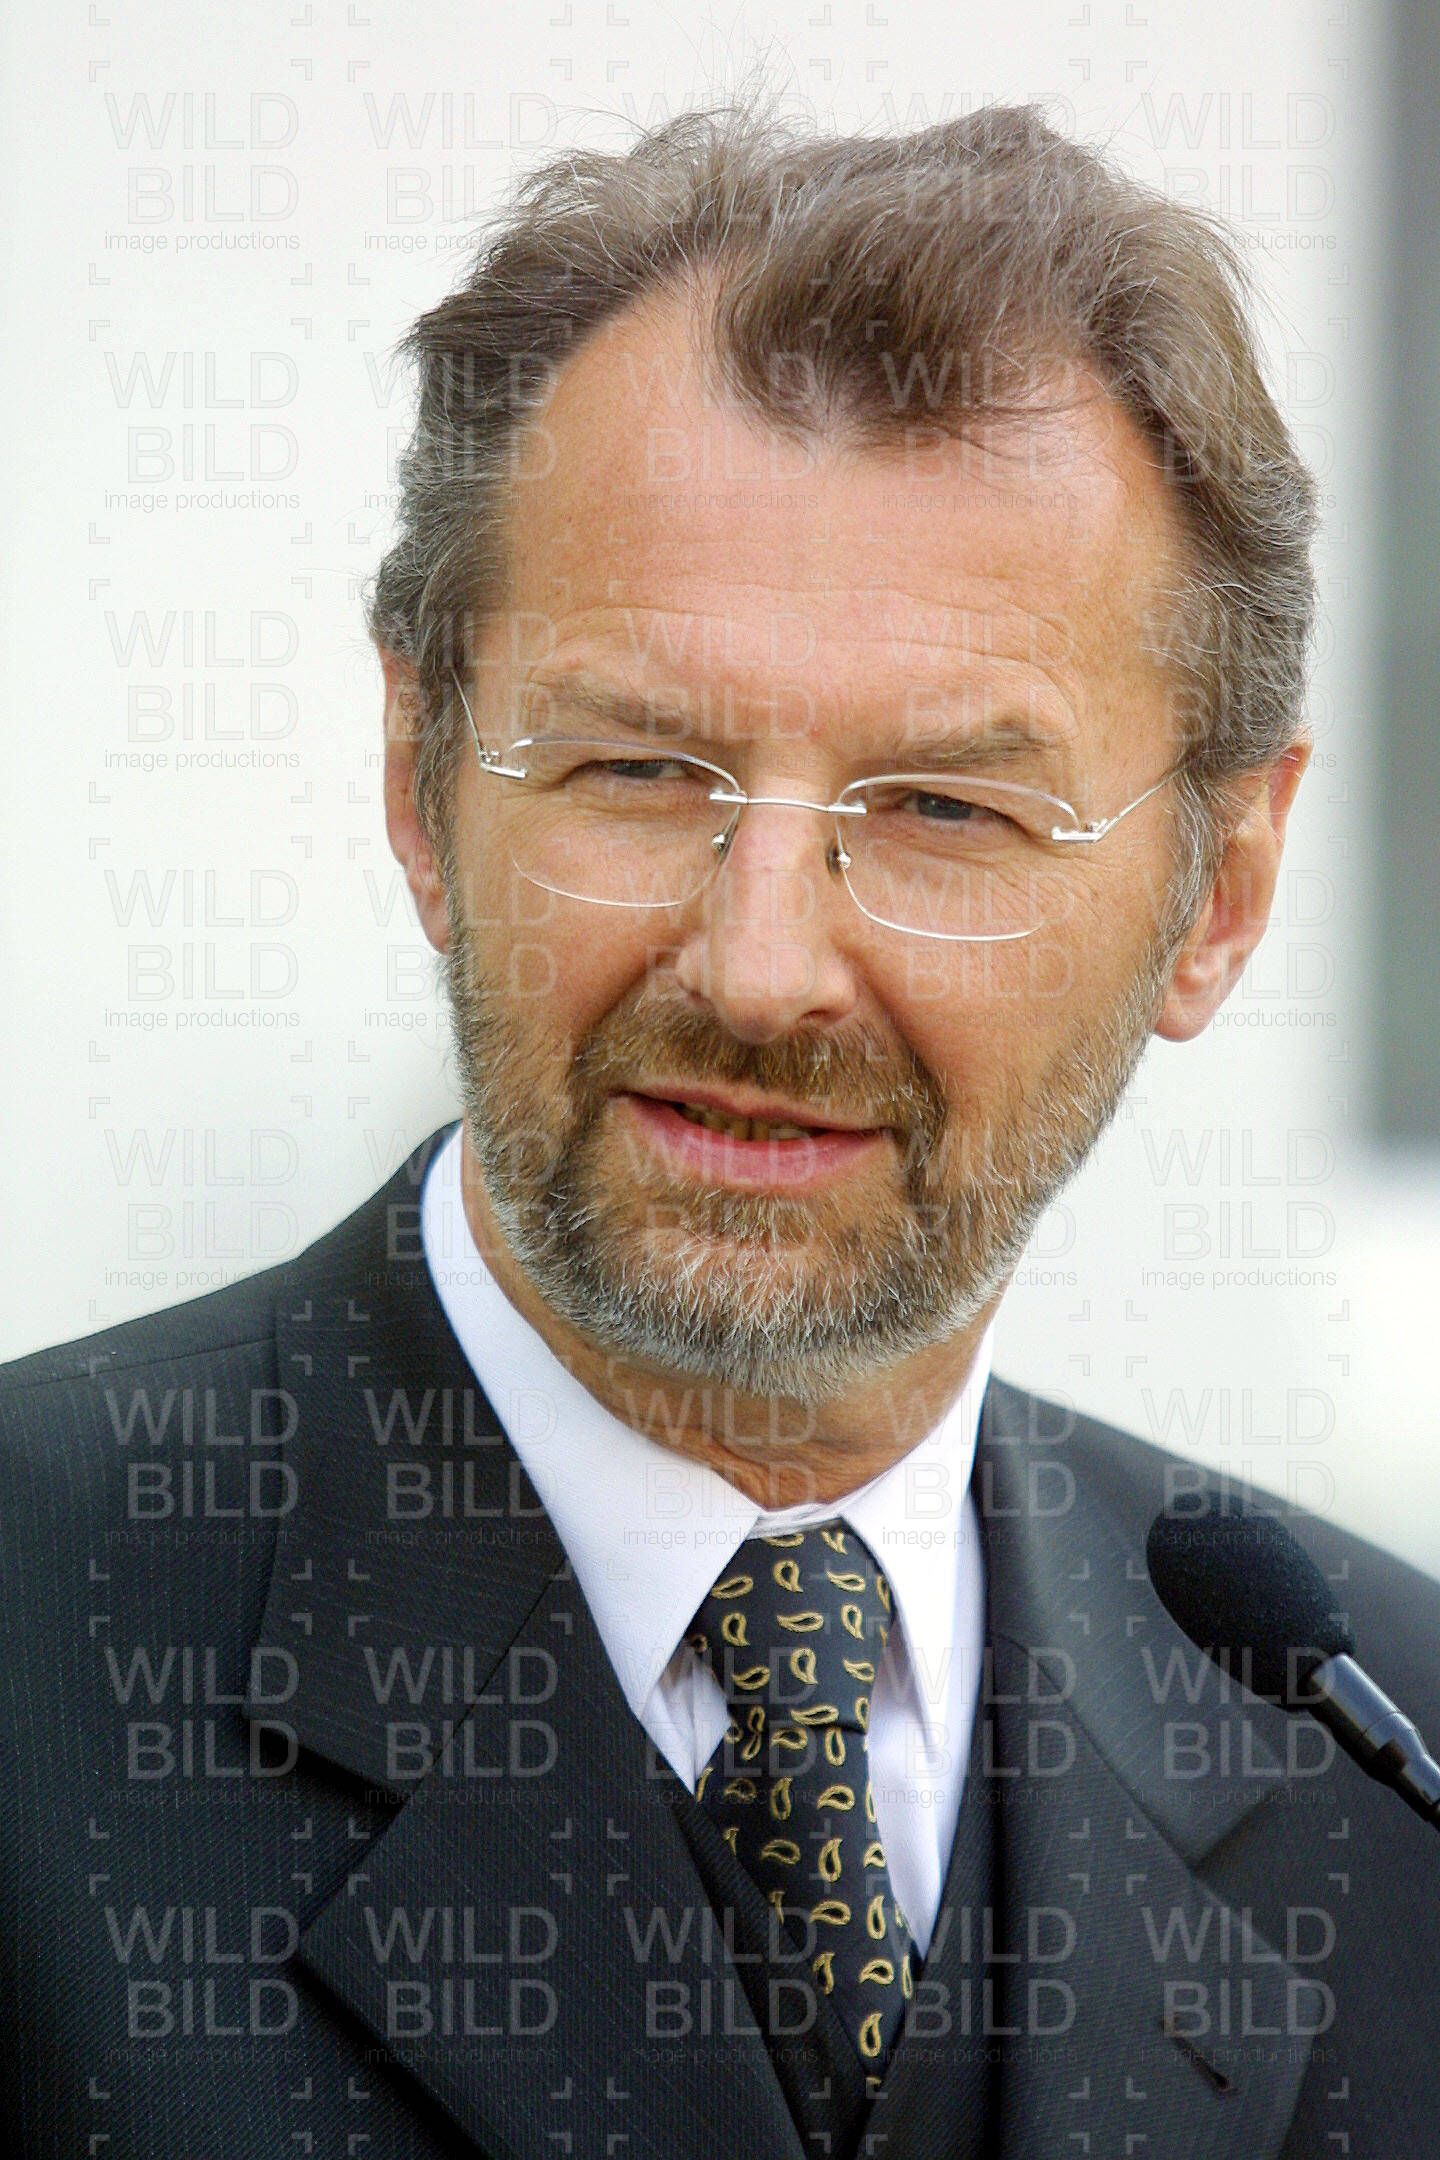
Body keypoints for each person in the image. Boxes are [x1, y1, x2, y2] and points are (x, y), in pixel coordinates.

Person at [2, 99, 1438, 2160]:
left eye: (944, 809)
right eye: (641, 767)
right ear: (422, 781)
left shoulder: (1385, 1759)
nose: (762, 970)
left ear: (1222, 893)